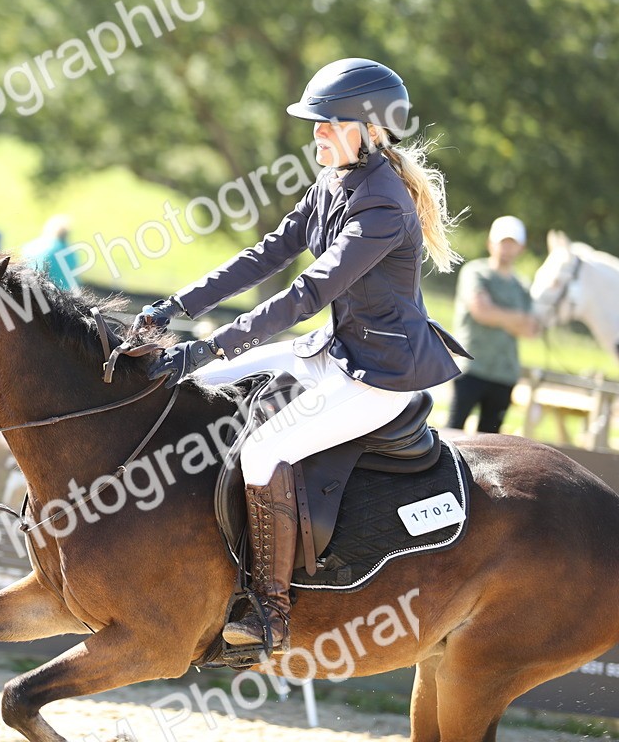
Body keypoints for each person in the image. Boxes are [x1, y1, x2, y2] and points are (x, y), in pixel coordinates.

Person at [132, 58, 470, 652]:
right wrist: (175, 307)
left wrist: (208, 344)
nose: (317, 132)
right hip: (335, 351)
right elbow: (265, 255)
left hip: (380, 377)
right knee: (210, 378)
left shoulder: (383, 205)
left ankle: (270, 611)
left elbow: (308, 293)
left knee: (264, 451)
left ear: (369, 129)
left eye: (329, 122)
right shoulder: (333, 182)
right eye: (316, 122)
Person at [446, 215, 539, 434]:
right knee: (452, 432)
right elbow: (481, 312)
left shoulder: (522, 286)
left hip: (504, 374)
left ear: (521, 248)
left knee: (491, 440)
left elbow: (531, 329)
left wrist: (496, 313)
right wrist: (516, 318)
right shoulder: (476, 272)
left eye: (512, 243)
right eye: (502, 242)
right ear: (490, 243)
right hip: (471, 367)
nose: (506, 249)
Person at [22, 214, 79, 291]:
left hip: (33, 290)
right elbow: (74, 278)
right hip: (63, 293)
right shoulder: (69, 252)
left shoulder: (30, 247)